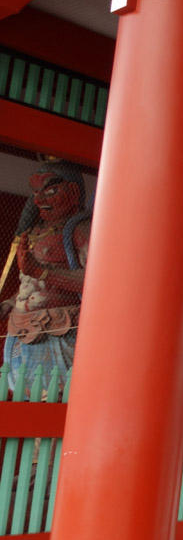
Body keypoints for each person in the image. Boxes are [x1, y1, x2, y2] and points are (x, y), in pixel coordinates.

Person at [0, 162, 90, 395]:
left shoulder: (79, 230)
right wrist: (9, 303)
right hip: (21, 327)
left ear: (73, 192)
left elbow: (95, 282)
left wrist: (42, 271)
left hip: (57, 327)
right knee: (22, 393)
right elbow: (30, 283)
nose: (39, 200)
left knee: (53, 394)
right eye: (35, 193)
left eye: (50, 191)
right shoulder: (35, 232)